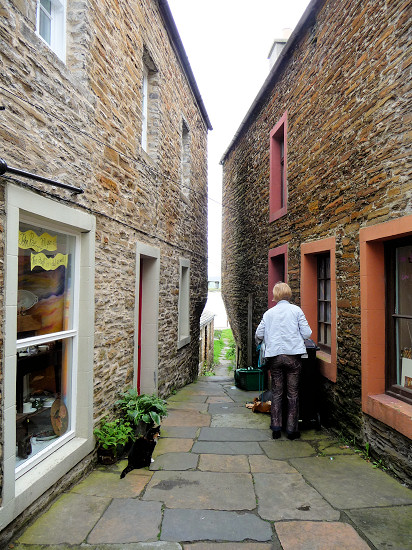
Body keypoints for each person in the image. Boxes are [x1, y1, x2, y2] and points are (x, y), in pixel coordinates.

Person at [255, 282, 312, 440]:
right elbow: (307, 333)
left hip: (275, 358)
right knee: (292, 394)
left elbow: (259, 334)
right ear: (289, 294)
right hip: (293, 357)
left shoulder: (269, 314)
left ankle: (276, 429)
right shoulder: (296, 311)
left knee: (277, 393)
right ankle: (292, 430)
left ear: (275, 296)